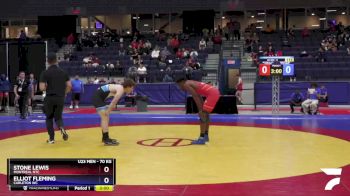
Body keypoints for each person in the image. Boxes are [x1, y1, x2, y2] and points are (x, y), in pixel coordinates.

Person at [91, 79, 136, 145]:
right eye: (132, 88)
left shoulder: (119, 87)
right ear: (128, 86)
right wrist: (108, 111)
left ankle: (105, 137)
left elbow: (103, 88)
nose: (132, 90)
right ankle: (106, 139)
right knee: (105, 117)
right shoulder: (121, 90)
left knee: (105, 118)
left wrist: (108, 111)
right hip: (97, 98)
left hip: (98, 96)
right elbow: (113, 102)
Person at [176, 78, 220, 145]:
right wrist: (202, 108)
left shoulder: (186, 84)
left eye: (179, 85)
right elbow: (199, 96)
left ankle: (201, 138)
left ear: (182, 82)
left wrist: (200, 110)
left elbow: (196, 96)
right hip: (214, 92)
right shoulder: (190, 82)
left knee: (202, 115)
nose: (179, 88)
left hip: (212, 94)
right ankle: (206, 136)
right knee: (206, 115)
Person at [39, 53, 71, 144]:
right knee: (58, 117)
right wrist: (64, 93)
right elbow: (69, 86)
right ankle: (62, 128)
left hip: (49, 98)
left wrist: (48, 87)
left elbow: (41, 88)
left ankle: (51, 139)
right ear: (56, 60)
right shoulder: (63, 72)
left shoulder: (45, 73)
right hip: (60, 98)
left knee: (49, 117)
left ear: (47, 61)